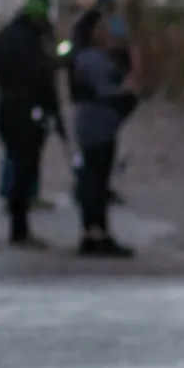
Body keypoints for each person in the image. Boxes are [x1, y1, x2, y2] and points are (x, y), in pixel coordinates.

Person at [0, 0, 64, 248]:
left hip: (7, 107)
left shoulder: (3, 37)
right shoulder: (34, 42)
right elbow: (44, 79)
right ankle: (19, 229)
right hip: (29, 110)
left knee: (19, 161)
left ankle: (17, 216)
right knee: (24, 166)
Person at [70, 15, 140, 257]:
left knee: (93, 177)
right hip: (99, 124)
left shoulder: (85, 58)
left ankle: (91, 231)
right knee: (96, 180)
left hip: (95, 123)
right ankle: (97, 232)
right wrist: (125, 89)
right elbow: (105, 90)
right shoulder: (95, 60)